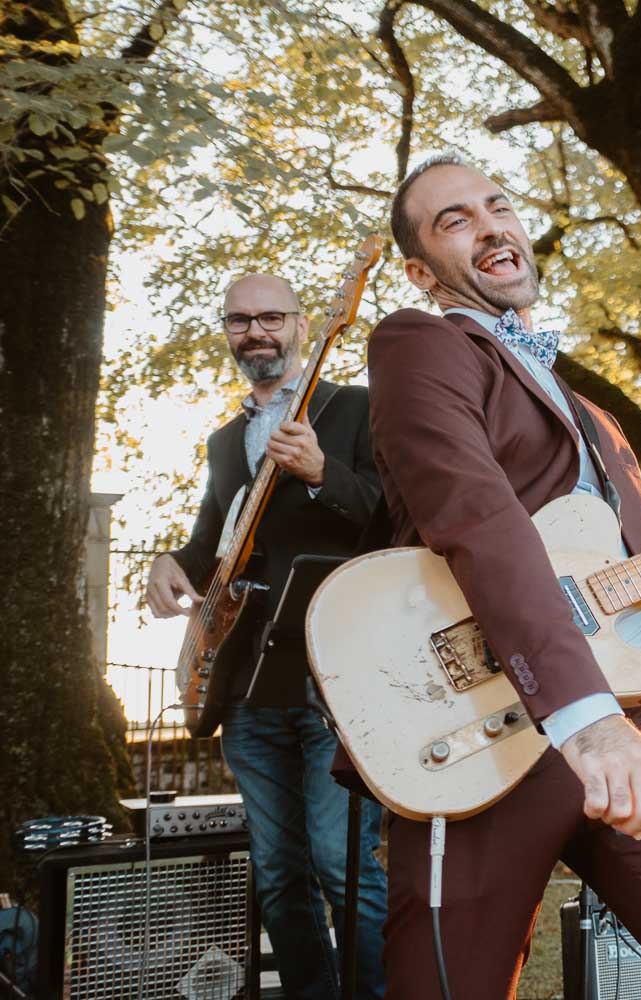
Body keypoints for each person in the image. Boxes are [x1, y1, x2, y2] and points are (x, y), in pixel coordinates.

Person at [357, 150, 641, 997]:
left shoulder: (600, 421)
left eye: (497, 204)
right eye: (454, 219)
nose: (490, 224)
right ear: (422, 271)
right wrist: (586, 720)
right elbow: (480, 526)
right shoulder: (417, 344)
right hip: (488, 732)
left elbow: (634, 585)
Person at [144, 273, 388, 999]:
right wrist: (167, 563)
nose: (256, 332)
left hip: (337, 677)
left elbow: (402, 522)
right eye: (239, 321)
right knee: (278, 873)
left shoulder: (357, 410)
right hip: (245, 687)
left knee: (343, 863)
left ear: (305, 325)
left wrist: (321, 473)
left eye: (271, 317)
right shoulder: (226, 442)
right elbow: (210, 549)